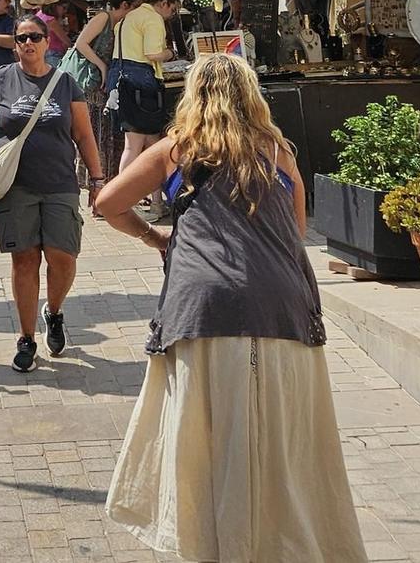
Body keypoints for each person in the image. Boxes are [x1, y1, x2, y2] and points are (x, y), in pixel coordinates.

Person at [99, 54, 366, 563]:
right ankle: (279, 545)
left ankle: (215, 546)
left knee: (206, 441)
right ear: (251, 94)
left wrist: (157, 237)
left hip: (202, 308)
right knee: (281, 443)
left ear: (193, 96)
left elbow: (108, 203)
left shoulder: (175, 150)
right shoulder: (278, 152)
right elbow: (296, 232)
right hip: (281, 306)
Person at [0, 19, 104, 372]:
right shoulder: (1, 79)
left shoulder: (65, 83)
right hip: (15, 185)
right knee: (24, 260)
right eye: (21, 37)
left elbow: (84, 135)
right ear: (15, 44)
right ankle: (26, 338)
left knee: (63, 257)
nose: (28, 42)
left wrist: (98, 179)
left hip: (59, 183)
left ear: (46, 42)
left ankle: (53, 312)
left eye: (35, 37)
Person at [110, 0, 180, 219]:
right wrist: (171, 53)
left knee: (151, 146)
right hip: (144, 86)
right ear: (163, 3)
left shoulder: (128, 17)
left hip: (125, 84)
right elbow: (152, 53)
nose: (171, 14)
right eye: (172, 9)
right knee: (137, 145)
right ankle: (124, 201)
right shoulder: (152, 18)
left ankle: (157, 203)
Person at [74, 0, 138, 204]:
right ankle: (97, 194)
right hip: (93, 88)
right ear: (125, 5)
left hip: (106, 87)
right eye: (134, 7)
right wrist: (102, 66)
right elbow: (80, 44)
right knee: (99, 137)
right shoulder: (104, 17)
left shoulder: (123, 25)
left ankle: (107, 192)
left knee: (109, 138)